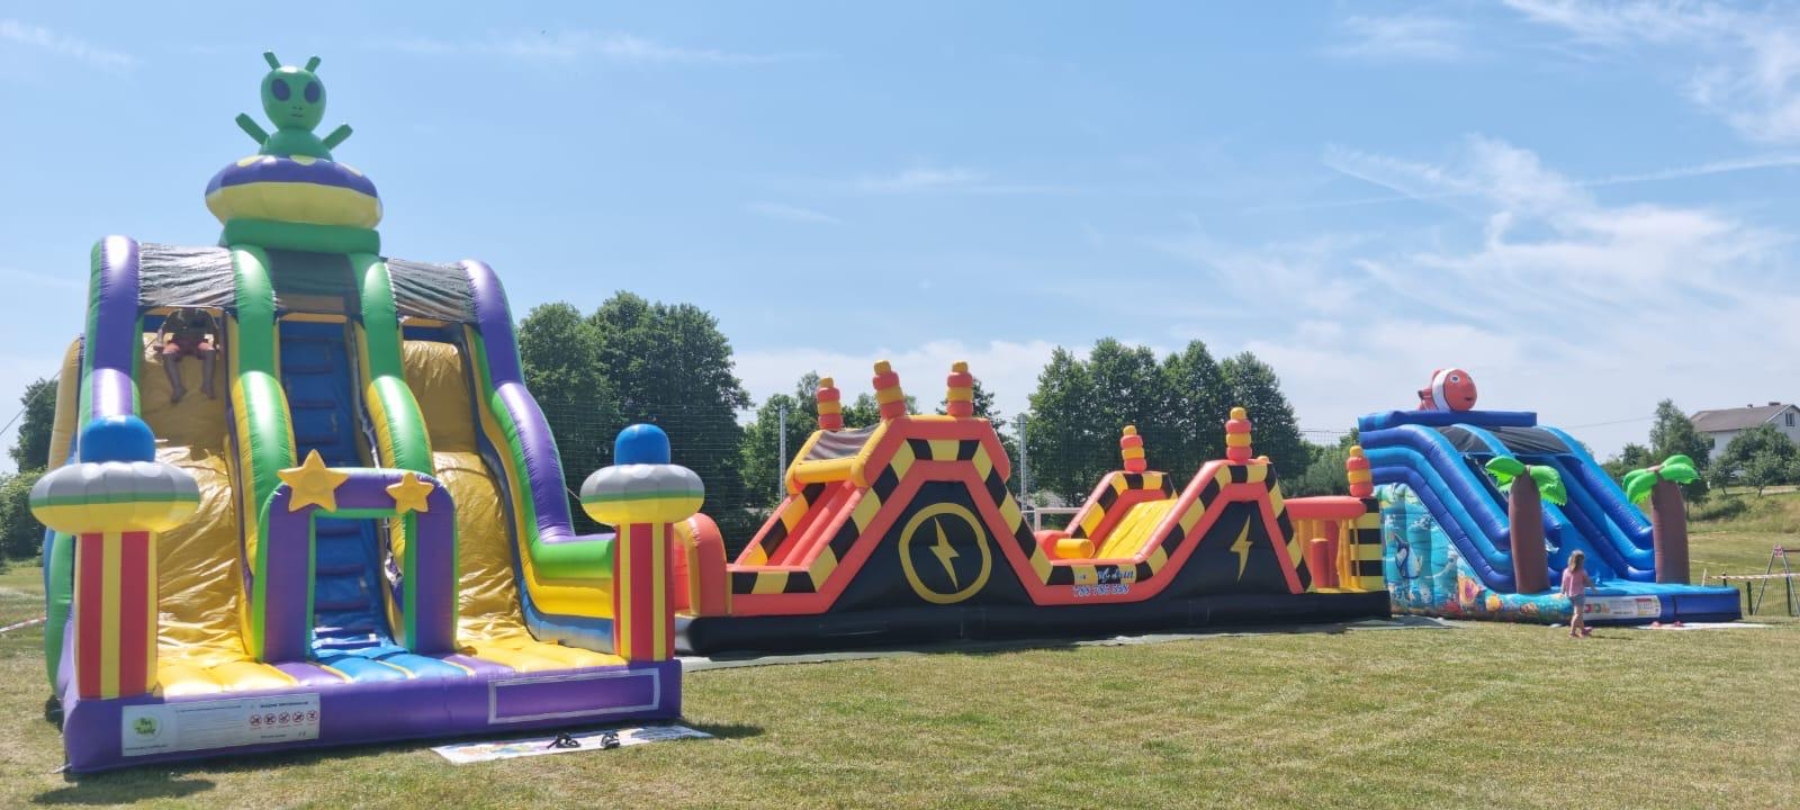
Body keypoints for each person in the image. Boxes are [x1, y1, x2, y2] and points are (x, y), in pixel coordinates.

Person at [154, 308, 219, 403]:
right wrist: (159, 342)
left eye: (192, 305)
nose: (189, 308)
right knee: (167, 354)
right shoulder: (174, 314)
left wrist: (216, 343)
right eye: (186, 306)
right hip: (178, 342)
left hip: (198, 341)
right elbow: (162, 329)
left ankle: (207, 385)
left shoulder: (204, 314)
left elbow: (214, 329)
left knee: (210, 351)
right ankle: (178, 388)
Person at [1562, 550, 1593, 638]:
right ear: (1581, 561)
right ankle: (1572, 632)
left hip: (1570, 595)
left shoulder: (1566, 571)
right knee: (1577, 614)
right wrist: (1593, 588)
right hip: (1579, 594)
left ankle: (1583, 630)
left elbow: (1564, 583)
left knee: (1578, 614)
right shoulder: (1582, 571)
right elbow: (1587, 582)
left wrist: (1562, 592)